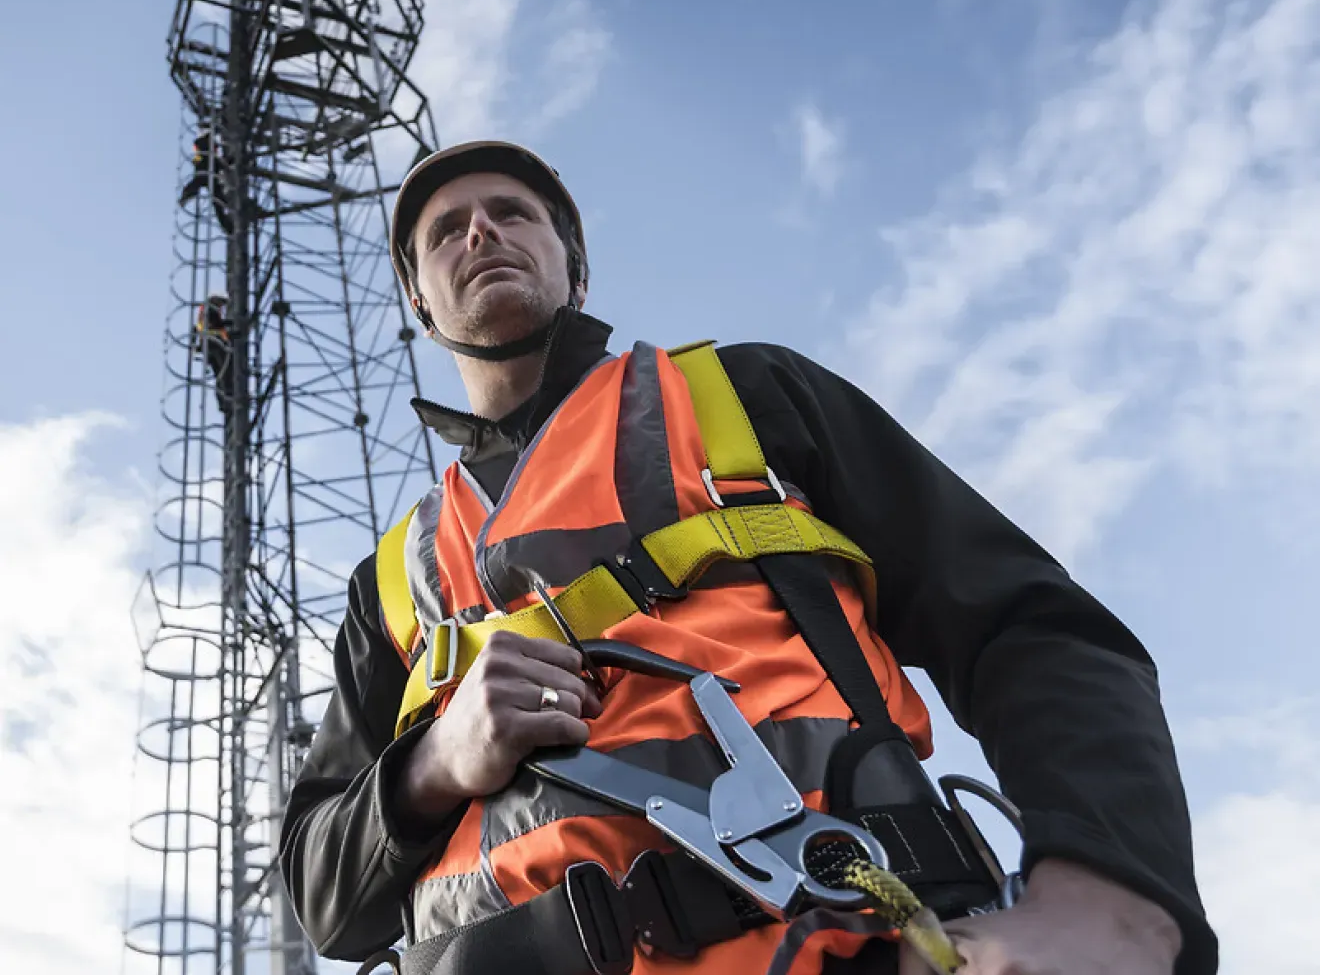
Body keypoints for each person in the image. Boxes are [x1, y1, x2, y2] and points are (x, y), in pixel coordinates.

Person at [279, 141, 1216, 975]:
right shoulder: (393, 582)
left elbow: (1028, 626)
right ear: (417, 296)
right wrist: (434, 762)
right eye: (447, 231)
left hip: (836, 936)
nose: (480, 232)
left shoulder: (742, 396)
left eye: (512, 213)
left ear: (577, 265)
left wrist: (1114, 896)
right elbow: (328, 904)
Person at [178, 128, 232, 233]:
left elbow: (220, 163)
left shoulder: (205, 153)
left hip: (207, 174)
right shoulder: (206, 150)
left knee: (217, 199)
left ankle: (228, 226)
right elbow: (222, 163)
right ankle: (227, 225)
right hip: (208, 172)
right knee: (217, 199)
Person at [193, 294, 233, 413]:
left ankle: (223, 402)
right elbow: (216, 325)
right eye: (221, 303)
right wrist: (230, 325)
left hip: (208, 345)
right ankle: (228, 399)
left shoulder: (204, 311)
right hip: (214, 343)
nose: (221, 307)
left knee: (220, 374)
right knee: (226, 371)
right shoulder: (209, 309)